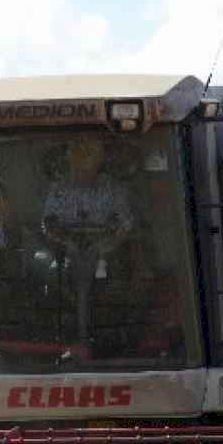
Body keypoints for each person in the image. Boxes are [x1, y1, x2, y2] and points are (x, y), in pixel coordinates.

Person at [41, 137, 135, 354]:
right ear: (68, 155)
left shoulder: (112, 188)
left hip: (108, 253)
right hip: (65, 253)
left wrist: (105, 246)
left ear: (101, 156)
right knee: (43, 270)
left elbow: (125, 225)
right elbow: (48, 224)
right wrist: (66, 242)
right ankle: (63, 337)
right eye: (77, 149)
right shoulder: (58, 189)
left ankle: (106, 337)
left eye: (89, 150)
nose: (82, 156)